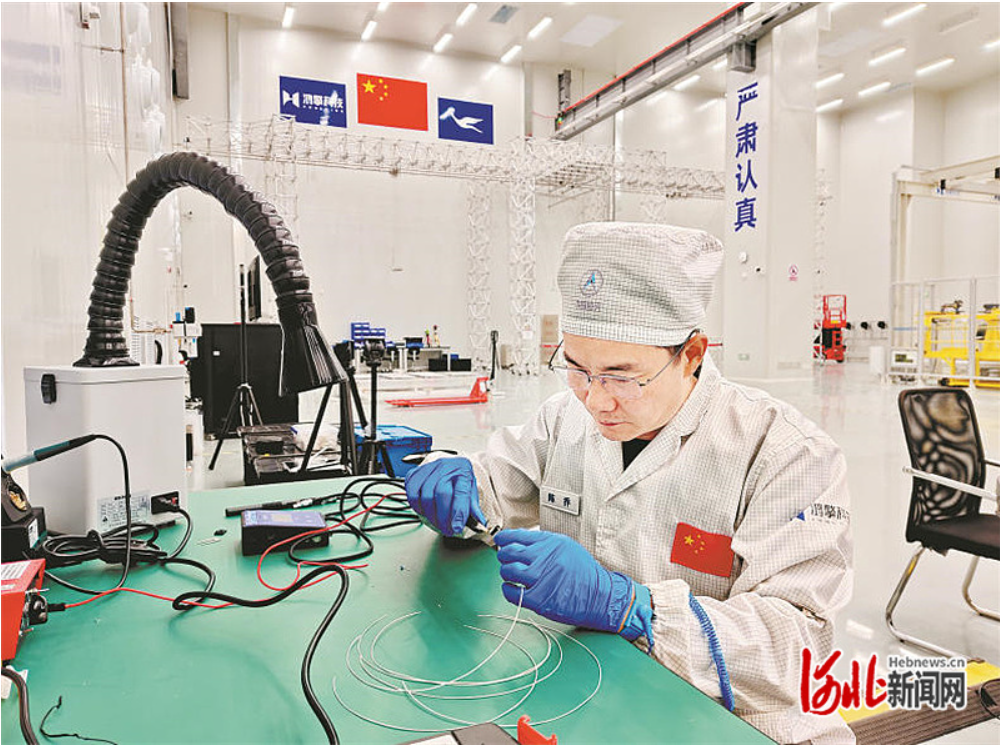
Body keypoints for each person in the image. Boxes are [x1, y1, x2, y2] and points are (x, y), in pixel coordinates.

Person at [406, 222, 854, 744]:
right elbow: (495, 484)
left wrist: (632, 608)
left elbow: (798, 647)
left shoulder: (786, 452)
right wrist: (460, 484)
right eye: (577, 369)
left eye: (622, 376)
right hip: (596, 695)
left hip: (732, 721)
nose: (596, 400)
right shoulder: (564, 418)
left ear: (691, 354)